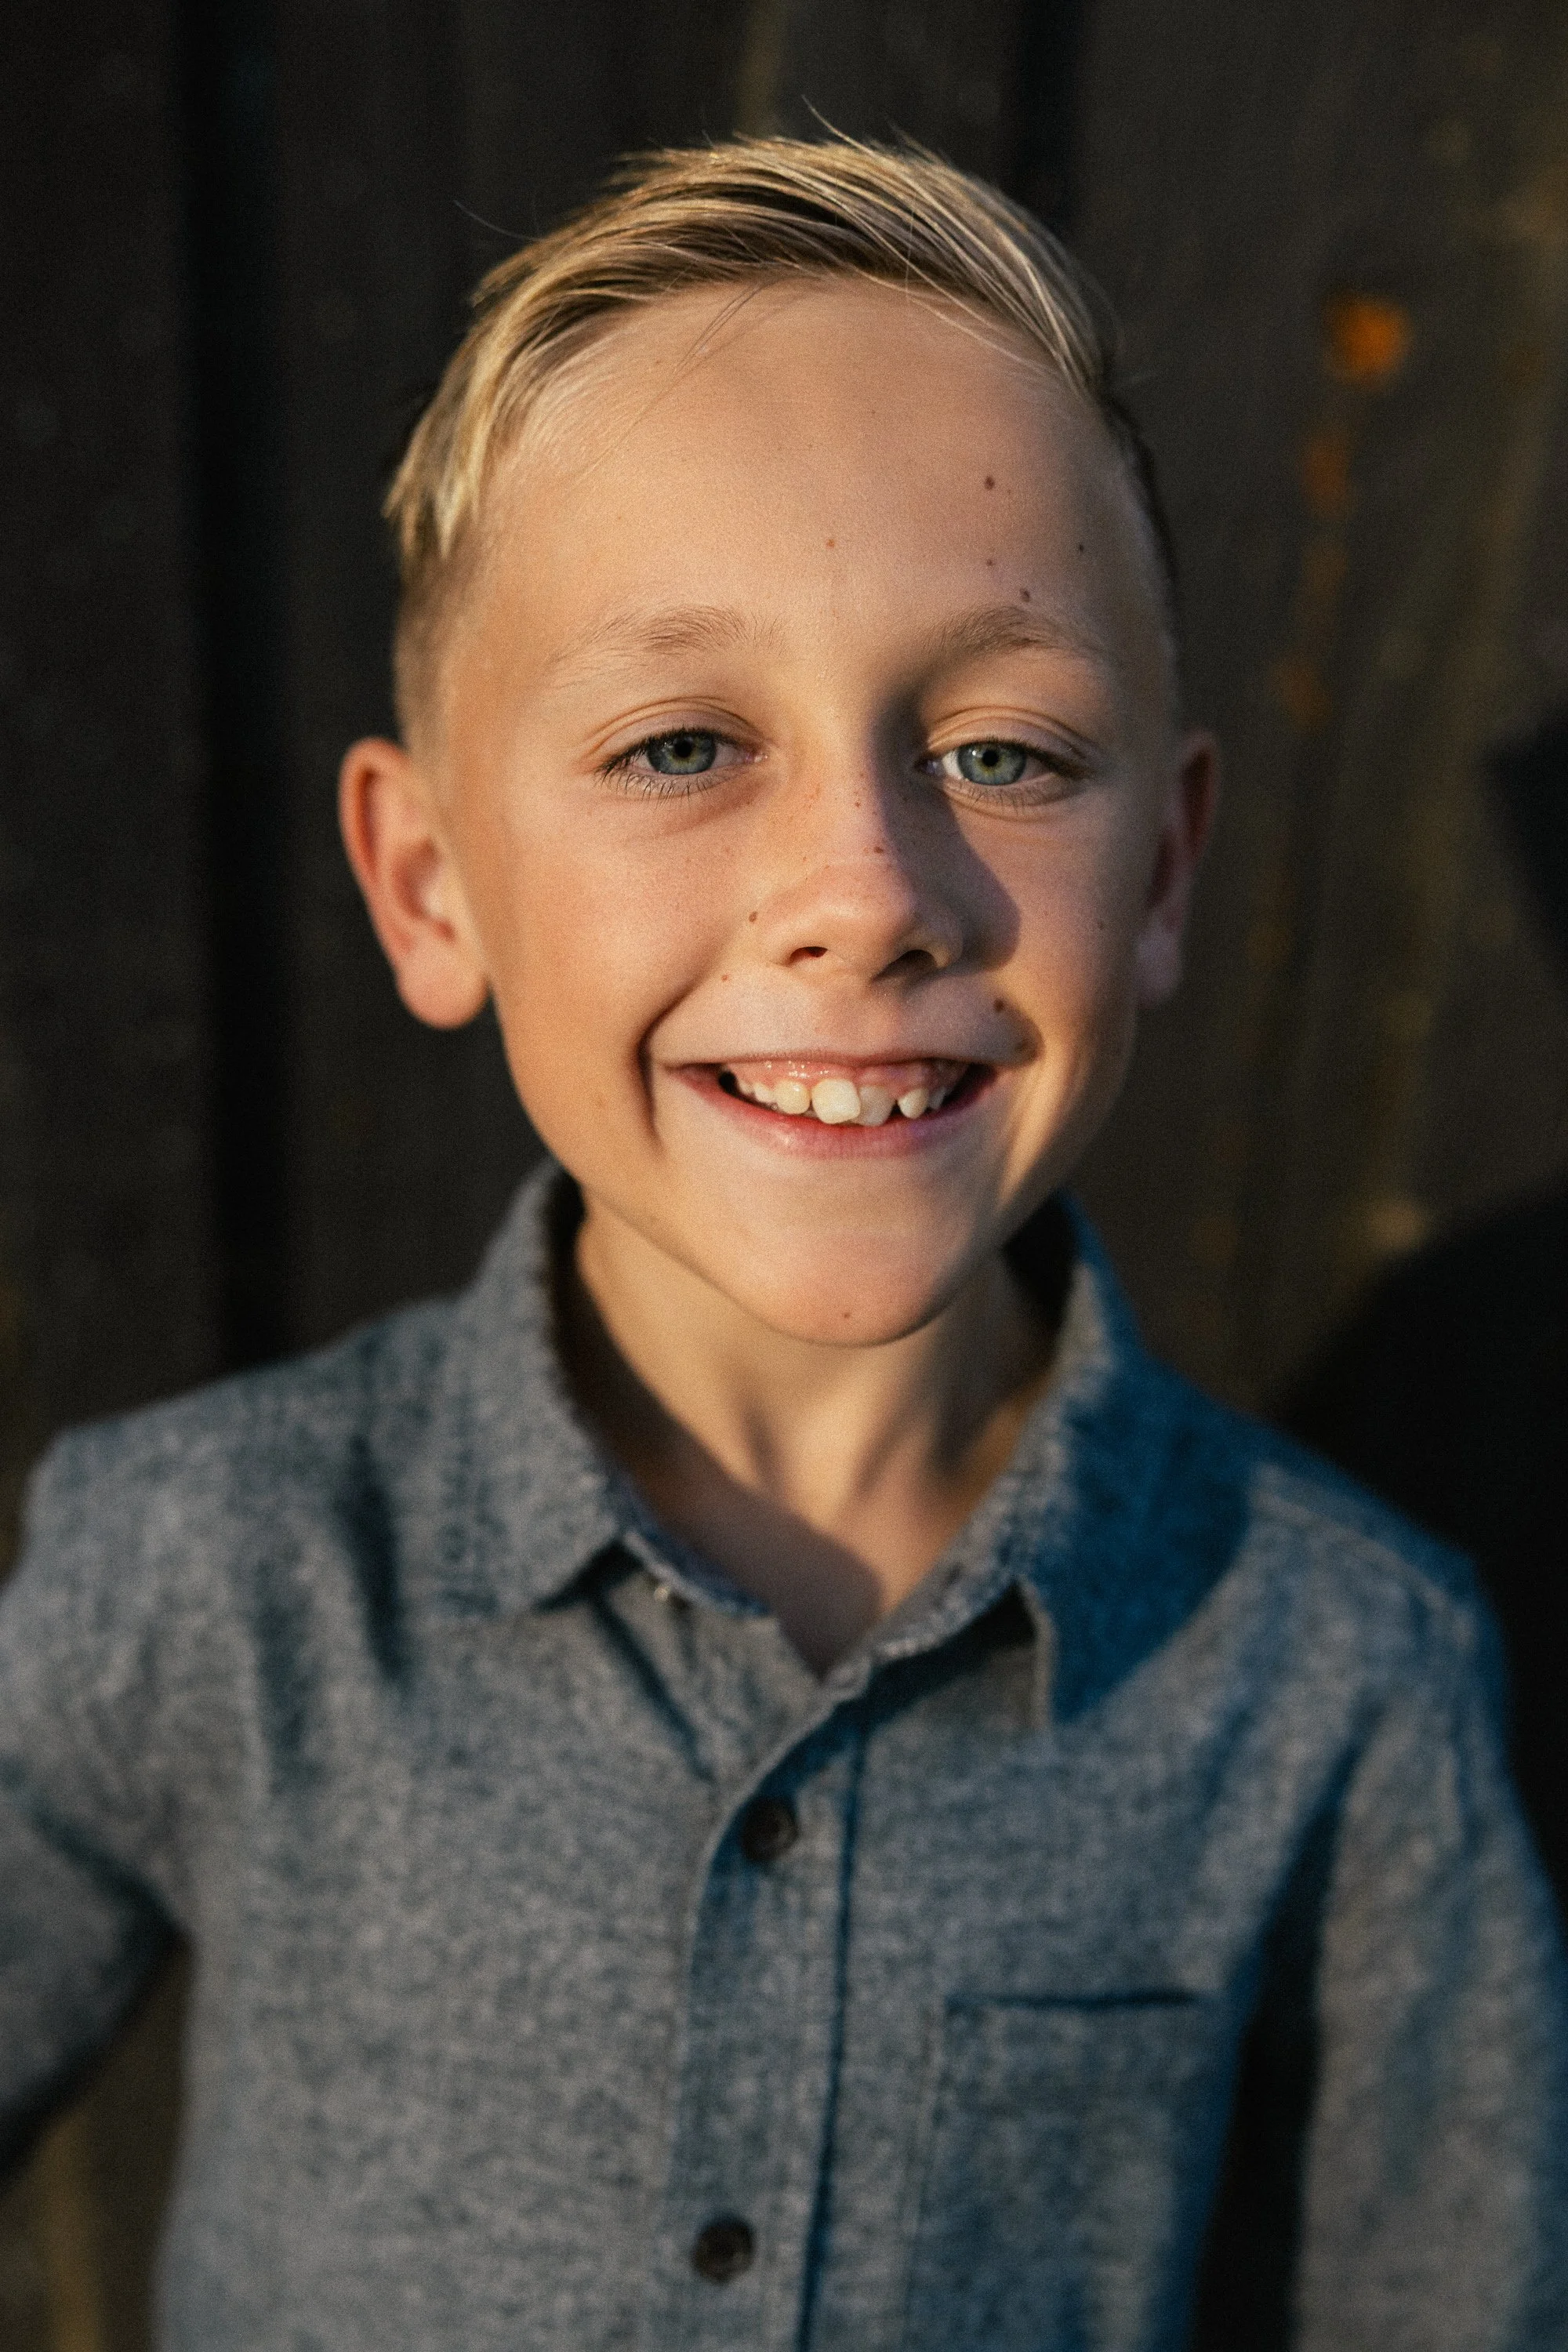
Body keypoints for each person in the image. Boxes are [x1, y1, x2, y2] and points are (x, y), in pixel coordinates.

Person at [1, 138, 1563, 2351]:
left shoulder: (1338, 1680)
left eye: (1007, 752)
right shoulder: (221, 1568)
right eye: (681, 741)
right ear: (433, 881)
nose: (867, 883)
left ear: (1171, 873)